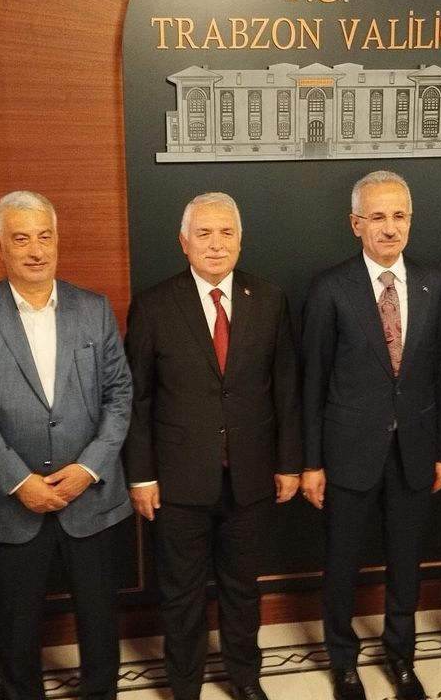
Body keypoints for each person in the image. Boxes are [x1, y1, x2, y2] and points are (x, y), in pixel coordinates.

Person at [0, 190, 133, 700]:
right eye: (21, 238)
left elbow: (120, 396)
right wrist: (20, 481)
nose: (35, 250)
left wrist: (89, 468)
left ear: (57, 239)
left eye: (44, 237)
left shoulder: (93, 309)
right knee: (15, 623)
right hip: (9, 501)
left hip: (90, 495)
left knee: (99, 618)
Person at [124, 192, 302, 700]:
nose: (216, 244)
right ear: (183, 242)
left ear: (241, 241)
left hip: (251, 476)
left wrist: (289, 463)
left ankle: (245, 677)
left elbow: (286, 387)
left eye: (226, 233)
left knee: (243, 589)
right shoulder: (154, 305)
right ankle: (185, 685)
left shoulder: (269, 299)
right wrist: (141, 475)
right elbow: (137, 398)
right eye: (204, 233)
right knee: (181, 594)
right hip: (178, 480)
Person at [301, 170, 441, 700]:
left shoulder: (436, 283)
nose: (390, 228)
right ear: (356, 224)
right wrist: (311, 462)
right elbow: (312, 382)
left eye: (399, 216)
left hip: (416, 450)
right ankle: (343, 662)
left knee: (406, 566)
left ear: (410, 220)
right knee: (341, 565)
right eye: (377, 217)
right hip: (348, 453)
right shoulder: (329, 287)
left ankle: (401, 658)